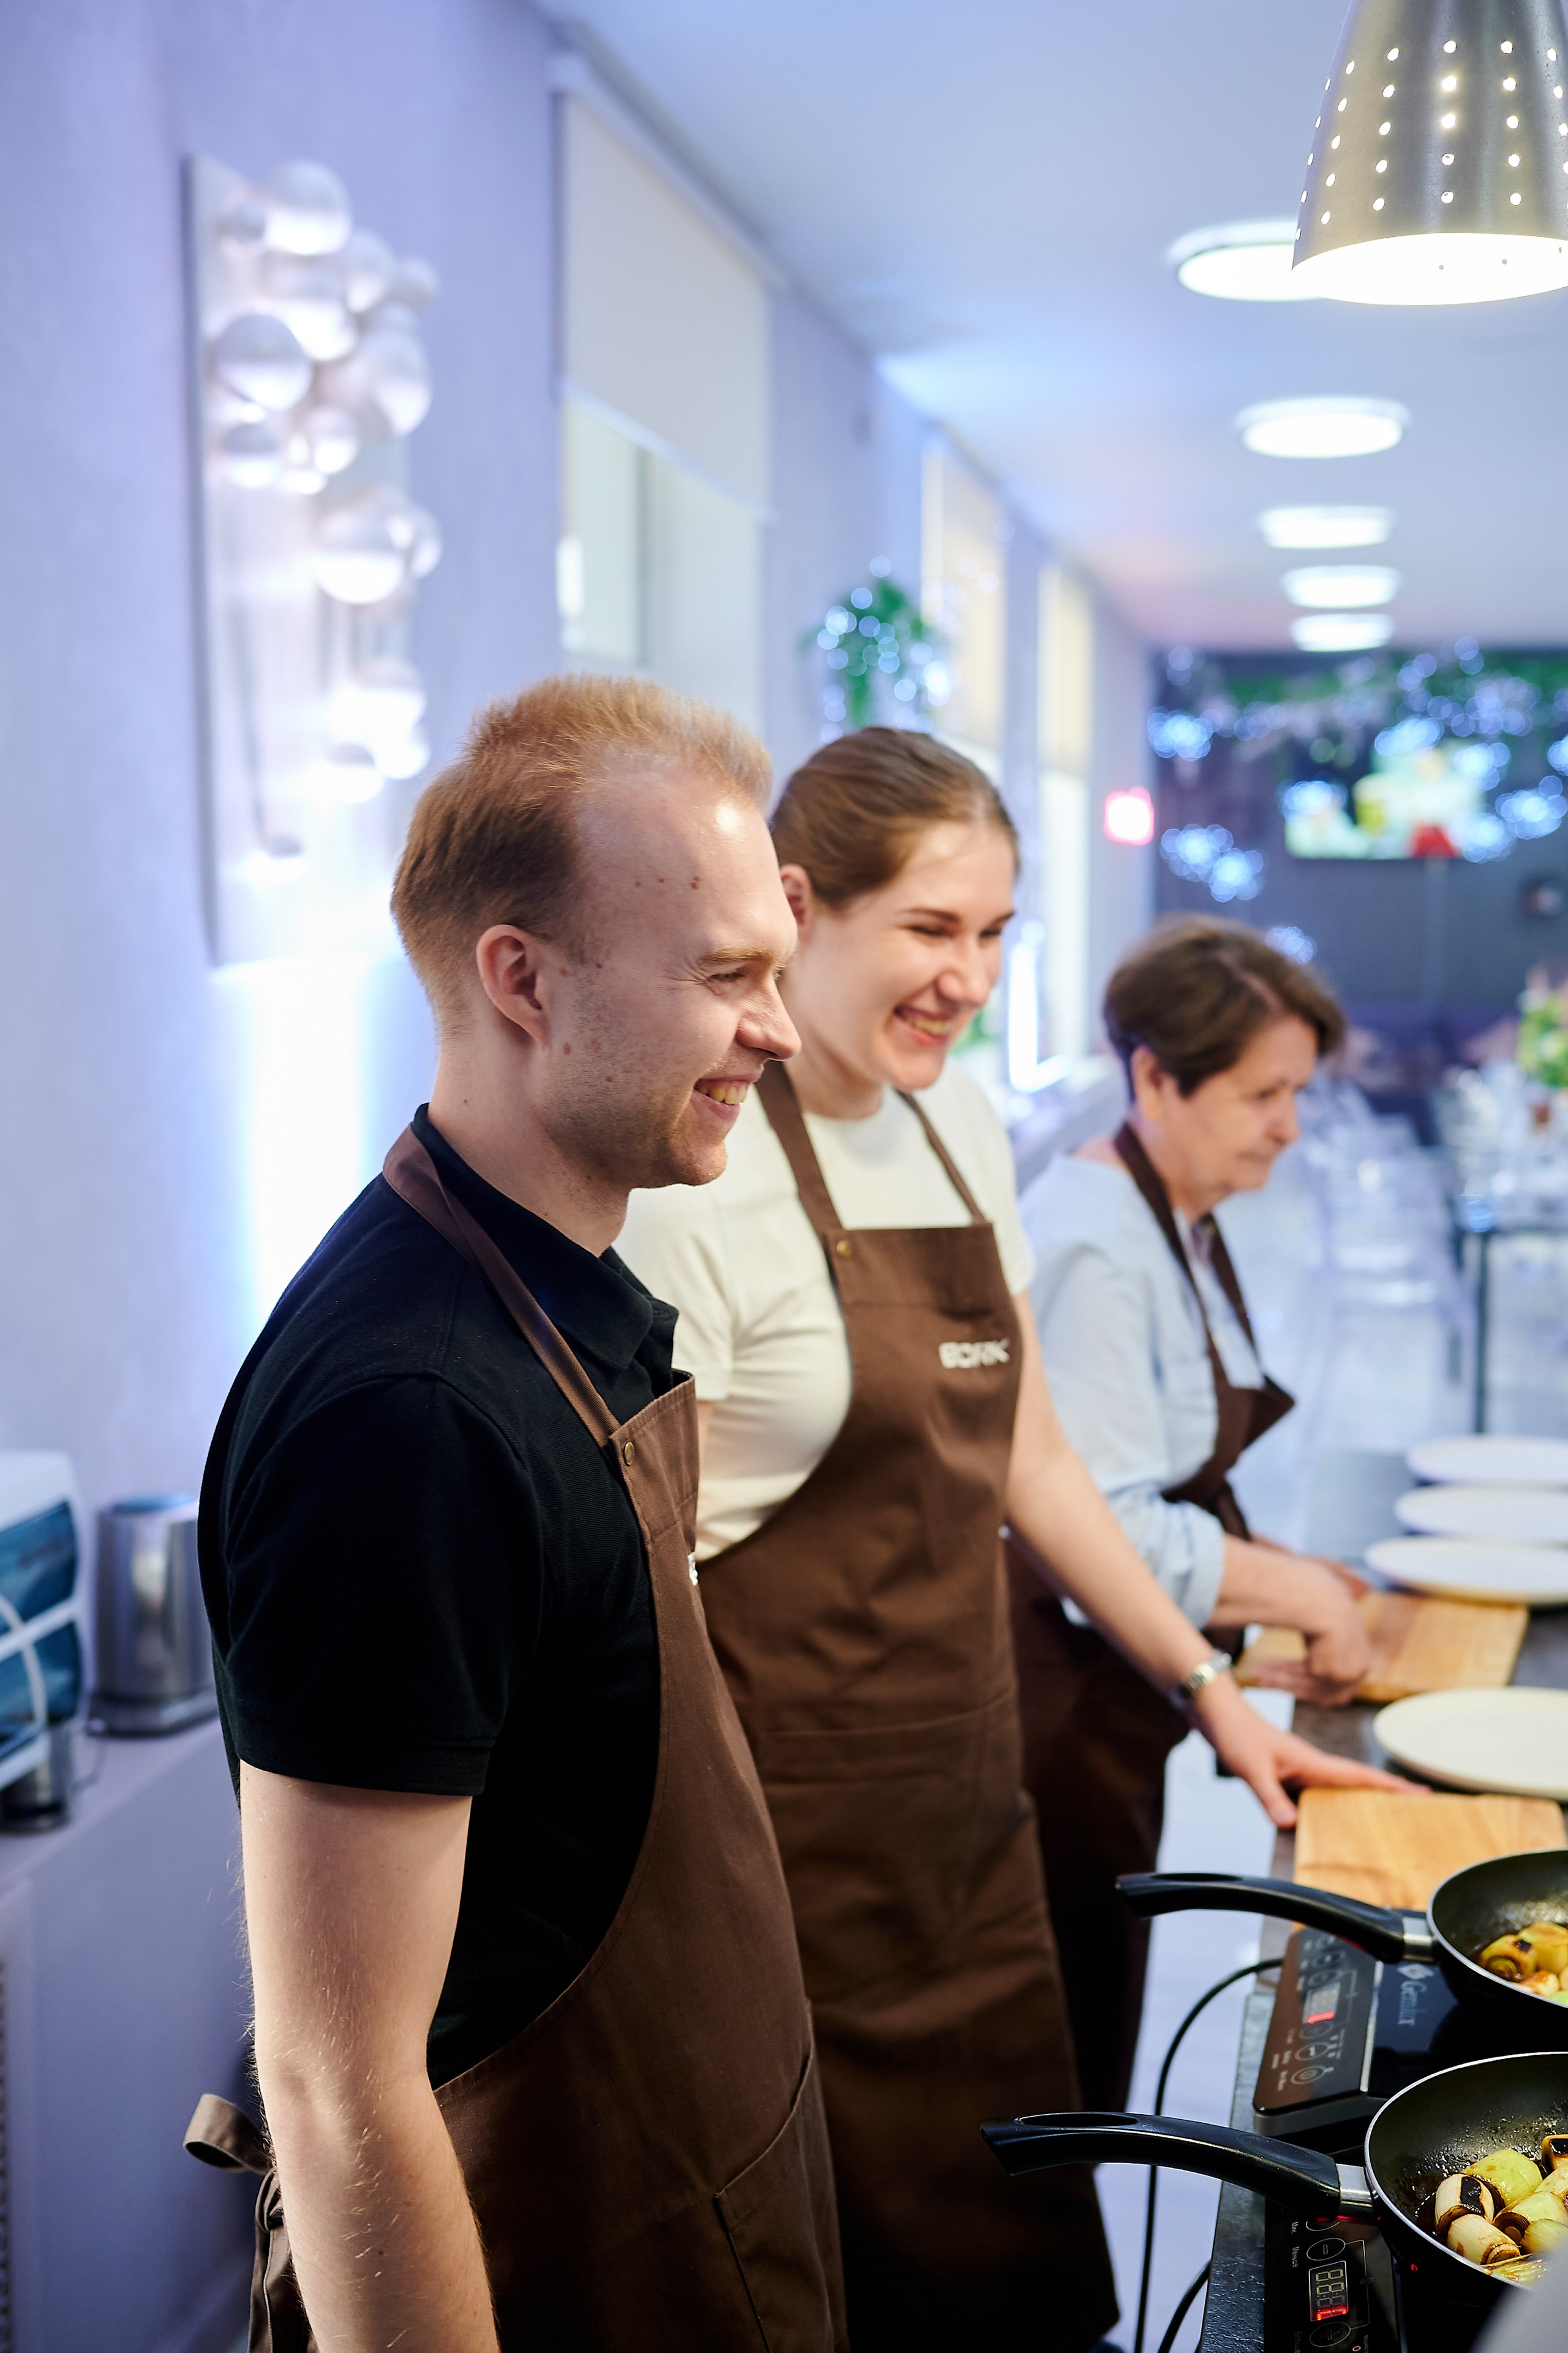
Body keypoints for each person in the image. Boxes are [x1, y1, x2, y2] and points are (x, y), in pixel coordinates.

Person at [617, 728, 1401, 2353]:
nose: (967, 977)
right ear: (796, 905)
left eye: (992, 932)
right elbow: (644, 1572)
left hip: (967, 1814)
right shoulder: (697, 1174)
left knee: (1011, 2249)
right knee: (840, 2273)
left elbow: (1034, 1462)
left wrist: (1209, 1687)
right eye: (929, 927)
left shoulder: (958, 1123)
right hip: (782, 1841)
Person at [189, 677, 848, 2353]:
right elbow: (335, 2077)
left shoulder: (566, 1298)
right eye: (727, 976)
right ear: (522, 979)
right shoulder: (408, 1416)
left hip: (690, 2211)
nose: (779, 1031)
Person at [1012, 914, 1377, 2111]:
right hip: (1064, 1699)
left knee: (1100, 2010)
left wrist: (1282, 1566)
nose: (1288, 1125)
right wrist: (1299, 1593)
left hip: (1124, 1693)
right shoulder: (1093, 1241)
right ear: (1155, 1078)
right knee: (1066, 2032)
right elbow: (1101, 1523)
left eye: (1297, 1094)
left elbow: (1163, 1465)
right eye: (1263, 1094)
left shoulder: (1175, 1208)